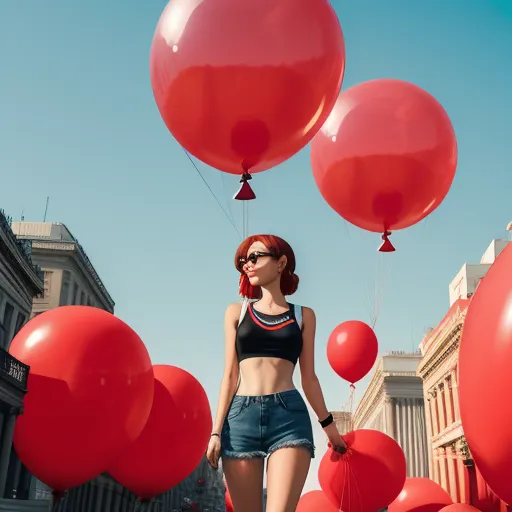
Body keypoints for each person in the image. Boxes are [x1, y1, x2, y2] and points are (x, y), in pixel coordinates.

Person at [206, 234, 347, 512]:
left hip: (289, 418)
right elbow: (230, 375)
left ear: (281, 263)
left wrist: (331, 431)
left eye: (255, 257)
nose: (248, 264)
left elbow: (309, 378)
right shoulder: (237, 312)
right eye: (244, 260)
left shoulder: (304, 315)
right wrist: (215, 432)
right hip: (240, 419)